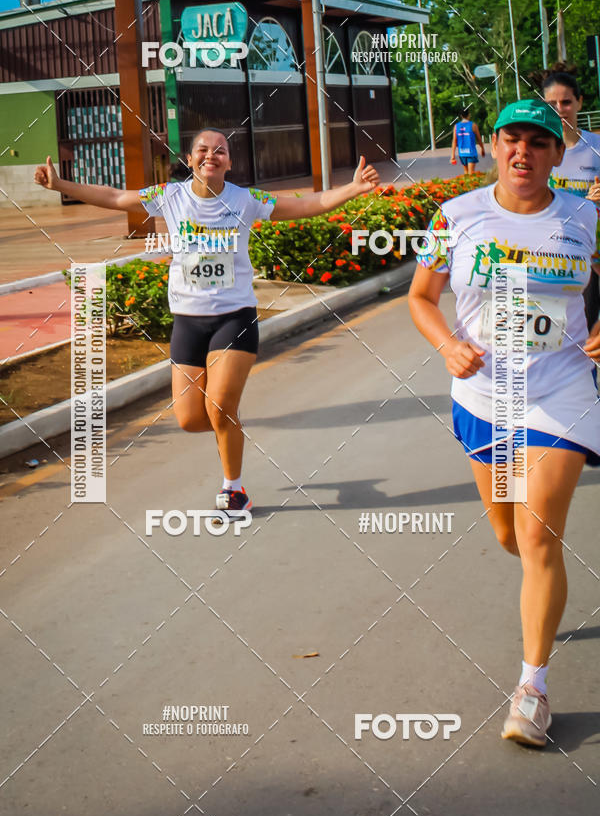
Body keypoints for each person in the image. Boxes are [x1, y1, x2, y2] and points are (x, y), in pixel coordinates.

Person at [34, 130, 379, 513]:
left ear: (229, 162)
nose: (210, 155)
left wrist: (352, 189)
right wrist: (59, 185)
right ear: (190, 158)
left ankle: (234, 490)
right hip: (188, 321)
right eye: (202, 149)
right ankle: (229, 424)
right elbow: (115, 197)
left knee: (219, 407)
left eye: (220, 151)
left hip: (234, 318)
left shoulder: (246, 200)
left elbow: (304, 204)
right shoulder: (169, 196)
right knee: (189, 419)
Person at [409, 99, 600, 747]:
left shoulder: (584, 217)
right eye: (512, 139)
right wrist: (448, 345)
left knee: (538, 534)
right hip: (484, 396)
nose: (524, 152)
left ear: (557, 154)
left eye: (539, 142)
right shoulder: (454, 217)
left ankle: (532, 690)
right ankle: (542, 588)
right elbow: (421, 297)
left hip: (561, 391)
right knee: (509, 534)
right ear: (493, 145)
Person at [542, 64, 600, 331]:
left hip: (594, 248)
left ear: (579, 102)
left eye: (566, 102)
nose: (560, 109)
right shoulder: (537, 149)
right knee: (568, 328)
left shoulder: (596, 147)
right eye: (551, 104)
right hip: (556, 252)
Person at [450, 108, 485, 174]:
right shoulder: (473, 125)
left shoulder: (456, 126)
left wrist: (453, 155)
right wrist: (482, 149)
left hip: (462, 153)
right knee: (471, 173)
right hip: (471, 153)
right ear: (469, 115)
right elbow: (479, 139)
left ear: (461, 116)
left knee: (466, 172)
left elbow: (454, 141)